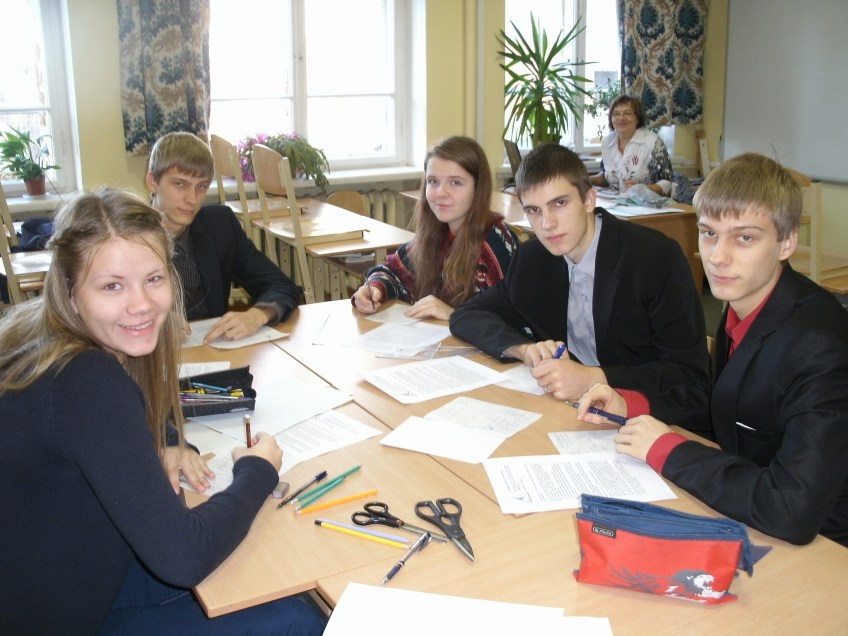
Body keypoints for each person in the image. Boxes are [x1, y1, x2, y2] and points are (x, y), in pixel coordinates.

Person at [0, 189, 326, 634]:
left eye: (153, 279)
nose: (141, 304)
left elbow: (111, 427)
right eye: (112, 285)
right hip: (54, 615)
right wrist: (257, 471)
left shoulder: (41, 337)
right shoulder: (86, 378)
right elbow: (184, 557)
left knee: (259, 575)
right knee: (295, 618)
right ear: (71, 292)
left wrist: (166, 440)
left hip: (59, 572)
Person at [576, 153, 848, 547]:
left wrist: (668, 450)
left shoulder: (818, 345)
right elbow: (728, 404)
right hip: (752, 511)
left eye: (744, 238)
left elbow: (792, 509)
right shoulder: (745, 303)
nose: (718, 257)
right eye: (709, 233)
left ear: (787, 242)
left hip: (827, 548)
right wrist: (630, 403)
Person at [450, 143, 709, 411]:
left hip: (645, 411)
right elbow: (467, 315)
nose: (547, 224)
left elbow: (689, 376)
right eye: (534, 210)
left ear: (589, 200)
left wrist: (595, 378)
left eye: (559, 203)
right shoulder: (533, 259)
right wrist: (523, 349)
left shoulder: (654, 258)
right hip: (568, 408)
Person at [147, 131, 301, 343]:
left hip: (214, 348)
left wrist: (258, 315)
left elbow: (280, 285)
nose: (192, 199)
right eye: (180, 184)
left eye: (201, 186)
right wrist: (152, 319)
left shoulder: (219, 225)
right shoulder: (126, 236)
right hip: (150, 352)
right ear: (153, 182)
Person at [351, 135, 520, 320]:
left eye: (456, 183)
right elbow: (394, 272)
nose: (440, 193)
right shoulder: (438, 233)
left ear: (478, 187)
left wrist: (453, 315)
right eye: (433, 181)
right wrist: (375, 288)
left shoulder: (496, 243)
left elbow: (509, 322)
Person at [589, 95, 674, 196]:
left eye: (627, 113)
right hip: (616, 202)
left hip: (647, 203)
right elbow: (607, 176)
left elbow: (667, 183)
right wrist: (588, 180)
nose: (621, 118)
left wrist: (643, 189)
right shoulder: (607, 142)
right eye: (616, 114)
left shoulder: (653, 142)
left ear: (637, 118)